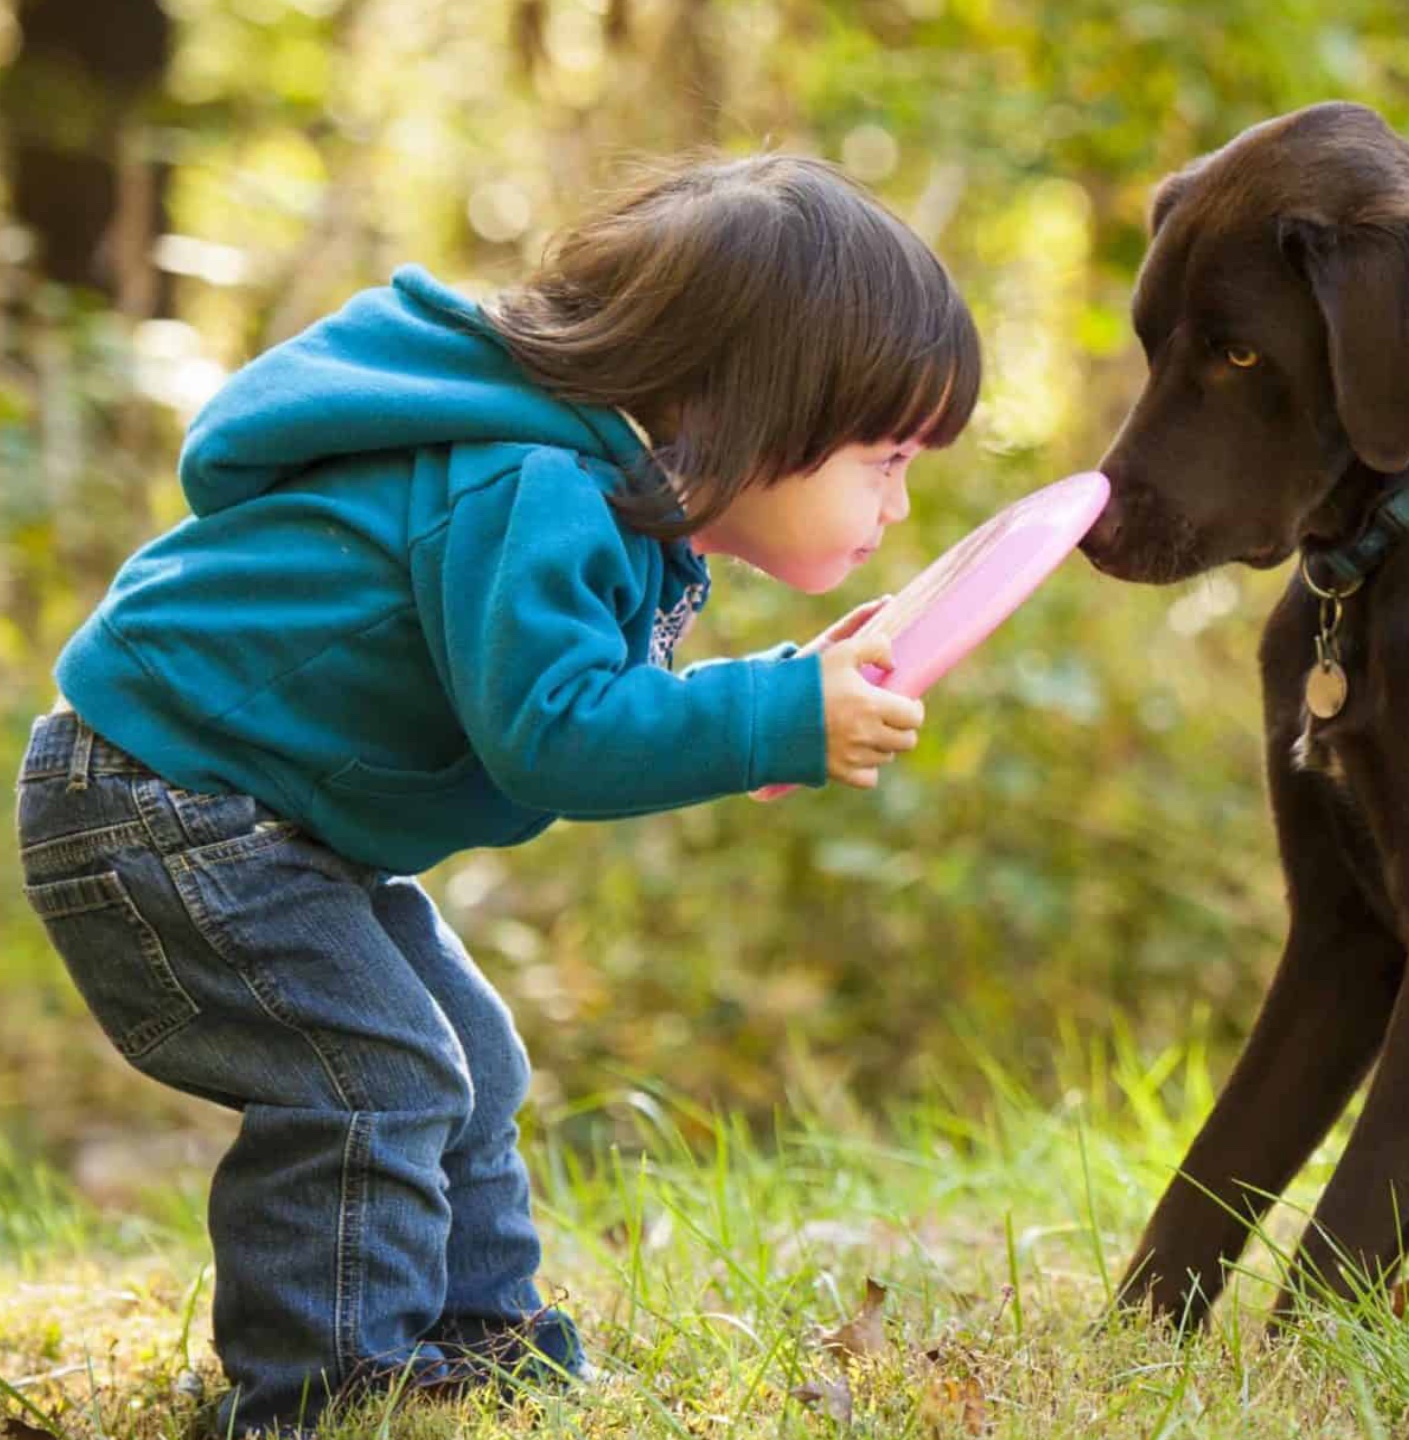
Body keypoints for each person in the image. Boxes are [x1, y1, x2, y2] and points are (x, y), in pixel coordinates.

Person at [12, 152, 975, 1435]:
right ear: (750, 403)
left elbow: (588, 698)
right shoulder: (529, 483)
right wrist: (769, 723)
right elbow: (554, 734)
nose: (898, 503)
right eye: (886, 457)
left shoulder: (592, 491)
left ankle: (476, 1343)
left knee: (469, 1055)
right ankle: (330, 1395)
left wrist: (774, 710)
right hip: (161, 804)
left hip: (256, 818)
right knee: (375, 1075)